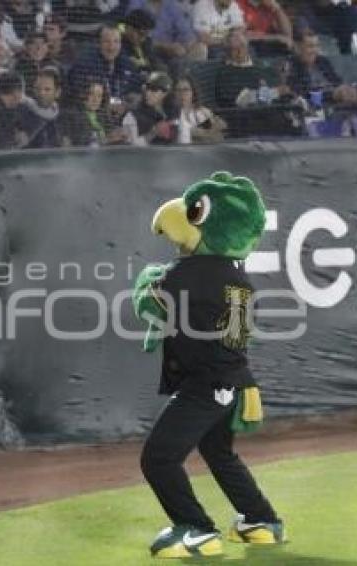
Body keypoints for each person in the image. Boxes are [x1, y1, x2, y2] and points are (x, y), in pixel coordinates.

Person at [135, 171, 284, 559]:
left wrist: (150, 285)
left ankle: (197, 529)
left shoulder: (192, 273)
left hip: (208, 384)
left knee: (158, 457)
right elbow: (228, 333)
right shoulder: (239, 275)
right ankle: (261, 521)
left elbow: (148, 297)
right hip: (231, 378)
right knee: (218, 452)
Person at [126, 0, 205, 64]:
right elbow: (135, 36)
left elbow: (186, 31)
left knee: (200, 49)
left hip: (173, 53)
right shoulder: (136, 3)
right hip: (147, 51)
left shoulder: (171, 4)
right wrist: (164, 47)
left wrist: (189, 45)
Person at [61, 79, 127, 147]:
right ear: (83, 94)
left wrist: (117, 134)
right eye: (92, 94)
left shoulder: (102, 114)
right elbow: (81, 141)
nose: (95, 99)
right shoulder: (74, 114)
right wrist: (106, 140)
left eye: (99, 96)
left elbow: (111, 131)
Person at [122, 70, 177, 145]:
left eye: (154, 89)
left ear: (165, 93)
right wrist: (153, 133)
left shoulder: (173, 114)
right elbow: (129, 147)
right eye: (147, 88)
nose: (148, 93)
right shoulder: (132, 115)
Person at [19, 66, 65, 148]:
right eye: (38, 89)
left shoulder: (64, 118)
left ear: (58, 92)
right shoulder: (21, 112)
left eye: (47, 89)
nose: (41, 93)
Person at [173, 75, 226, 143]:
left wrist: (202, 133)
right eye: (178, 90)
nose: (182, 94)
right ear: (173, 93)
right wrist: (205, 133)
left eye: (186, 90)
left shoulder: (203, 111)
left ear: (193, 92)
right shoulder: (170, 113)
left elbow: (220, 128)